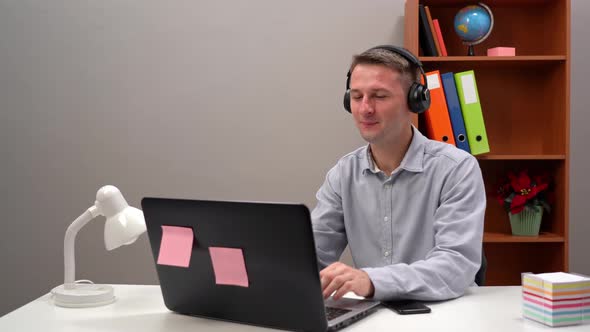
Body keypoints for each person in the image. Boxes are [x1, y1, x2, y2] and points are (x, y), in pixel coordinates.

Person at [311, 45, 485, 302]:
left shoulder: (457, 169)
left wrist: (372, 281)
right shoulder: (343, 174)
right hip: (373, 315)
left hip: (444, 315)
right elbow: (312, 255)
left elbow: (455, 265)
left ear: (415, 100)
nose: (365, 108)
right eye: (357, 97)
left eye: (379, 96)